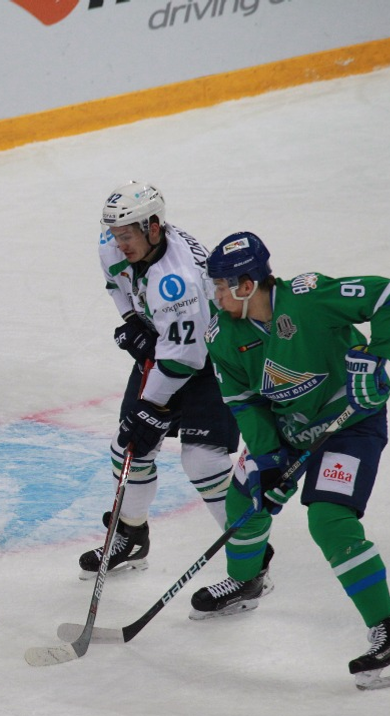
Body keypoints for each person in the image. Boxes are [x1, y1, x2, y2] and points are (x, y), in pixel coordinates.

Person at [194, 230, 390, 691]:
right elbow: (243, 401)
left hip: (350, 423)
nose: (215, 295)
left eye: (220, 286)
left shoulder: (308, 297)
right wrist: (267, 459)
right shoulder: (223, 334)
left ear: (246, 285)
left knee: (329, 520)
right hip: (289, 431)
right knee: (244, 500)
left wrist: (375, 358)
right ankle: (246, 582)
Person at [79, 182, 241, 579]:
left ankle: (249, 559)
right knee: (128, 447)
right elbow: (117, 284)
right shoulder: (114, 243)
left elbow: (187, 358)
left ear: (153, 227)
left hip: (216, 357)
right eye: (115, 235)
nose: (119, 244)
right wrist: (133, 322)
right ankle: (131, 536)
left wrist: (151, 406)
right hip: (171, 346)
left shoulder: (178, 282)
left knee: (202, 460)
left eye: (127, 236)